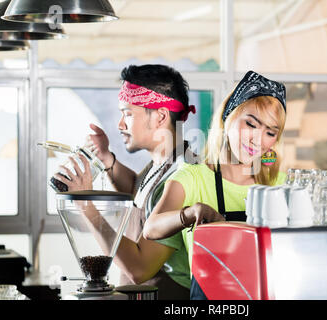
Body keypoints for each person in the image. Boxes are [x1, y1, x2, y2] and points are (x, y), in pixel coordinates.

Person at [53, 64, 196, 300]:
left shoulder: (183, 177)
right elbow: (139, 193)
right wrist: (107, 159)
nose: (120, 124)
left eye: (128, 113)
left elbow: (139, 269)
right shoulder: (163, 164)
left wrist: (85, 204)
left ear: (160, 116)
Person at [142, 70, 288, 299]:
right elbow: (151, 229)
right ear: (227, 116)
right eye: (251, 124)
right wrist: (191, 213)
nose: (257, 140)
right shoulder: (193, 176)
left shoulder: (281, 185)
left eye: (270, 132)